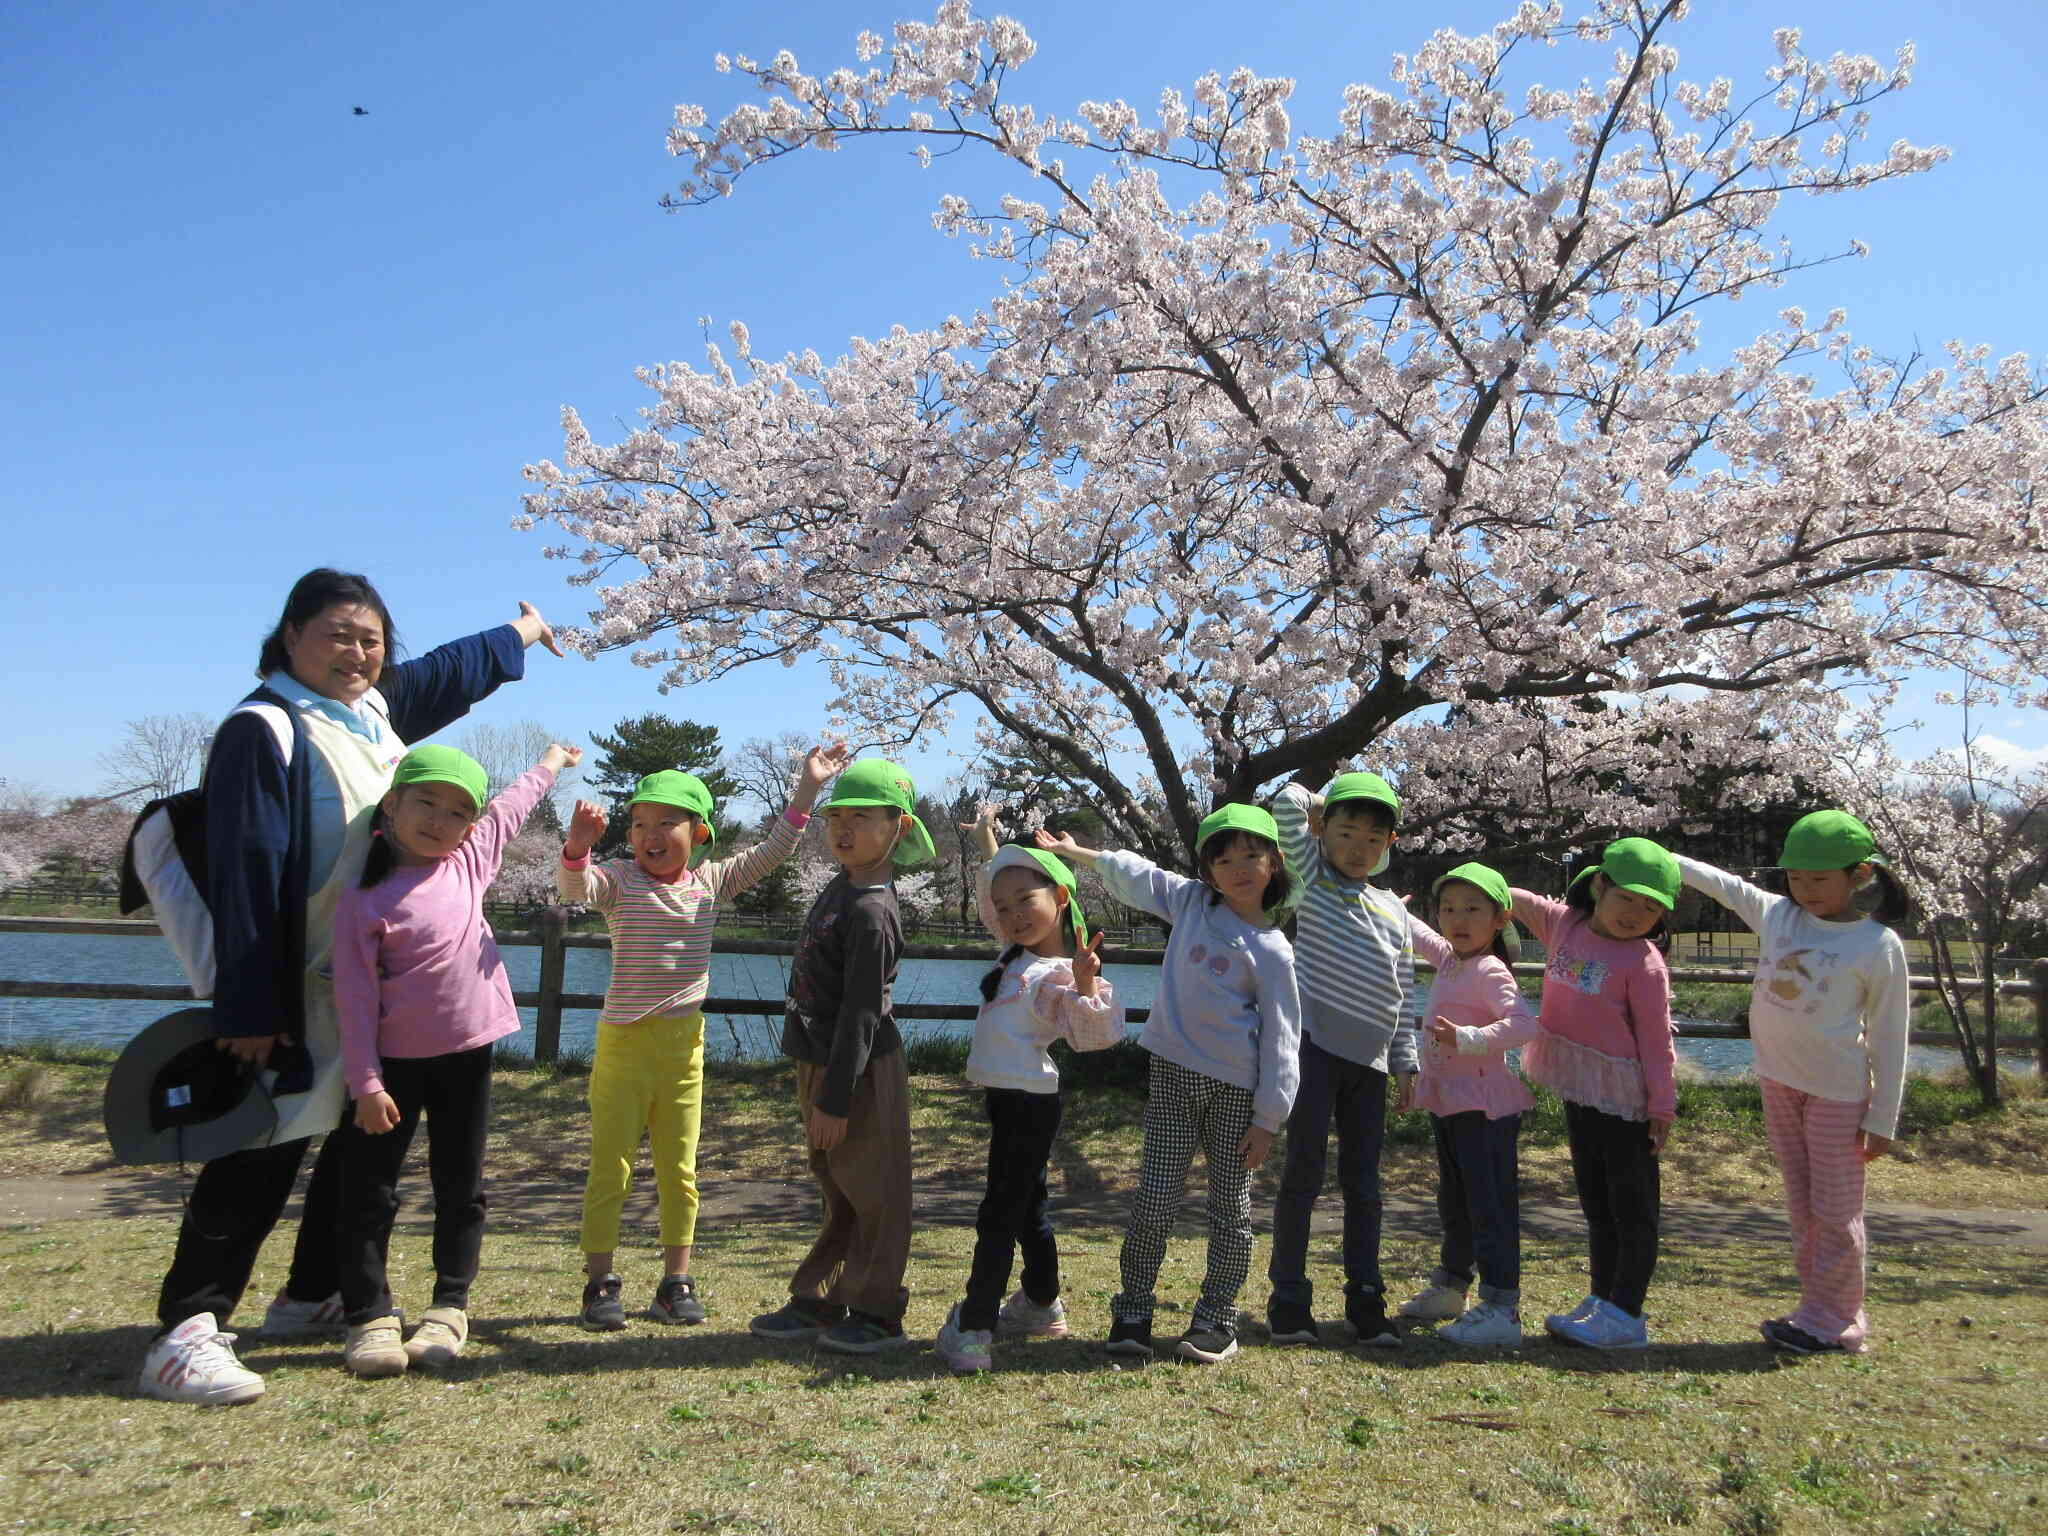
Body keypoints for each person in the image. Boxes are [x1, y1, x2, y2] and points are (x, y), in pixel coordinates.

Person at [139, 568, 563, 1405]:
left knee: (348, 1134)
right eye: (338, 634)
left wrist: (519, 636)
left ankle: (311, 1291)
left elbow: (439, 675)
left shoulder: (367, 714)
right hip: (286, 979)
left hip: (360, 981)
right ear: (290, 636)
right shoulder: (264, 729)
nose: (358, 652)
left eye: (371, 639)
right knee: (260, 1143)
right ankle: (186, 1327)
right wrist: (250, 1004)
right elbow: (250, 876)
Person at [559, 743, 848, 1330]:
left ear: (699, 832)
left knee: (679, 1169)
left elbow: (773, 852)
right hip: (623, 1044)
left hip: (684, 1045)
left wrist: (807, 790)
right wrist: (578, 848)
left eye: (667, 822)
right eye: (640, 823)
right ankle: (599, 1284)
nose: (651, 834)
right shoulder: (617, 880)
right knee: (609, 1167)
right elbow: (576, 890)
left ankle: (675, 1281)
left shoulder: (711, 883)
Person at [329, 741, 580, 1376]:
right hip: (389, 1070)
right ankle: (369, 1314)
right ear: (392, 805)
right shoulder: (363, 901)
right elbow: (353, 1000)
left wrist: (549, 762)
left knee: (460, 1184)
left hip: (467, 1055)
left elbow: (512, 808)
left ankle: (449, 1305)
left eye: (457, 812)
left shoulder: (469, 862)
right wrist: (364, 1081)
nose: (440, 821)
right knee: (369, 1190)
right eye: (427, 803)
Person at [1040, 807, 1301, 1365]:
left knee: (1229, 1207)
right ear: (1208, 871)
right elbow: (1139, 875)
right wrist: (1077, 854)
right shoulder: (1191, 903)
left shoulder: (1275, 950)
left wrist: (1268, 1118)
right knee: (1154, 1198)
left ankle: (1217, 1319)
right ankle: (1133, 1308)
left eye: (1251, 855)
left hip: (1236, 1091)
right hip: (1172, 1076)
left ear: (1274, 862)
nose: (1239, 869)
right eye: (1224, 859)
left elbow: (1284, 1037)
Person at [1675, 812, 1912, 1355]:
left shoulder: (1878, 945)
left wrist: (1883, 1118)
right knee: (1801, 1204)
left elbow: (1889, 1036)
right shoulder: (1780, 916)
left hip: (1838, 1092)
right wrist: (1665, 859)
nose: (1805, 890)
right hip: (1779, 1081)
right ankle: (1816, 1309)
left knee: (1835, 1209)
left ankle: (1839, 1319)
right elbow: (1726, 886)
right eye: (1797, 879)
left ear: (1859, 876)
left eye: (1819, 880)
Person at [748, 759, 931, 1355]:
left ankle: (878, 1311)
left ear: (897, 829)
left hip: (859, 1071)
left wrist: (835, 1098)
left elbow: (861, 1013)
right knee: (838, 1186)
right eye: (836, 817)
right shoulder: (841, 884)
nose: (843, 828)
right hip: (819, 1062)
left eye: (861, 817)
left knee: (875, 1192)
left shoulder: (873, 912)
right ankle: (822, 1296)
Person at [932, 809, 1124, 1373]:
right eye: (1005, 905)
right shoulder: (1016, 953)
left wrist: (1086, 983)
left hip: (1029, 1104)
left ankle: (974, 1326)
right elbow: (998, 887)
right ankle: (1041, 1302)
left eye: (1027, 901)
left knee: (999, 1212)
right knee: (1027, 1205)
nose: (1013, 915)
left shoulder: (1056, 973)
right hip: (1008, 1098)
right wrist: (990, 840)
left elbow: (1095, 1035)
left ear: (1061, 897)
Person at [1264, 772, 1416, 1348]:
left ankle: (1366, 1299)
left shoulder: (1392, 911)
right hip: (1312, 1049)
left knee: (1364, 1184)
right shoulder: (1311, 881)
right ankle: (1289, 1299)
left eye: (1373, 838)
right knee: (1302, 1176)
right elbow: (1286, 802)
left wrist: (1406, 1061)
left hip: (1371, 1062)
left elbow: (1402, 988)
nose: (1358, 848)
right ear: (1322, 831)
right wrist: (1327, 803)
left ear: (1388, 846)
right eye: (1346, 832)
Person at [1510, 838, 1680, 1352]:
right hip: (1580, 1087)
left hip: (1624, 1095)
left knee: (1632, 1207)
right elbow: (1516, 898)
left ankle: (1627, 1311)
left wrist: (1661, 1106)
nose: (1636, 913)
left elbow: (1657, 1040)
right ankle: (1602, 1298)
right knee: (1595, 1200)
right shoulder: (1568, 925)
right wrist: (1482, 897)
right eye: (1627, 897)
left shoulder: (1644, 963)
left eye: (1651, 907)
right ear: (1600, 884)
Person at [1400, 862, 1539, 1347]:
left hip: (1485, 1107)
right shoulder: (1451, 960)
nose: (1457, 919)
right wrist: (1390, 911)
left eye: (1473, 909)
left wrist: (1469, 1037)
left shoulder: (1489, 968)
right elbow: (1422, 937)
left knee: (1489, 1205)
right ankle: (1452, 1285)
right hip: (1450, 1101)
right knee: (1454, 1201)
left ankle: (1503, 1305)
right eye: (1449, 908)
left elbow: (1523, 1025)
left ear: (1499, 919)